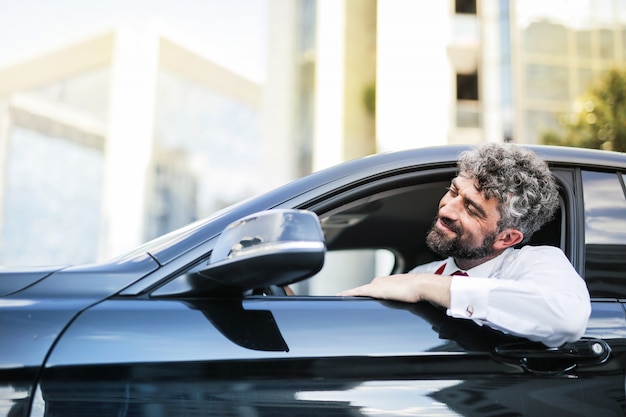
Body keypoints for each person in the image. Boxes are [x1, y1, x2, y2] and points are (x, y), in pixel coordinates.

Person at [338, 143, 591, 347]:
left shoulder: (535, 262)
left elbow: (567, 317)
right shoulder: (421, 276)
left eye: (471, 208)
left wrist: (432, 287)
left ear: (507, 238)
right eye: (453, 191)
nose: (447, 209)